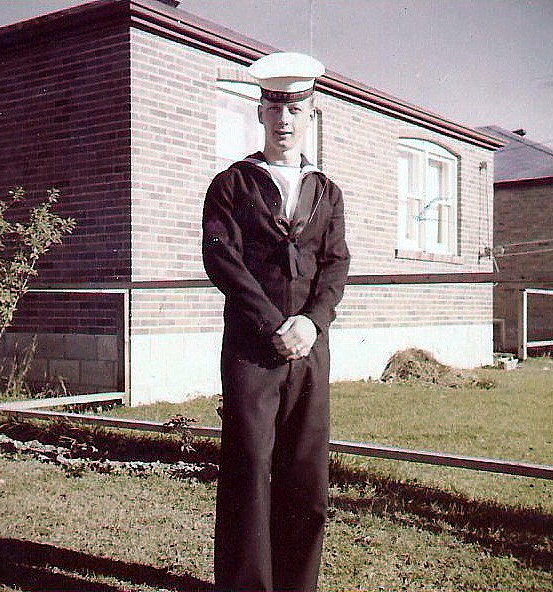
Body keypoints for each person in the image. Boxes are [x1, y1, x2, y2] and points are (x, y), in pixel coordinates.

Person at [202, 52, 350, 592]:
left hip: (310, 349)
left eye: (295, 108)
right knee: (248, 469)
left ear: (310, 113)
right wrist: (273, 325)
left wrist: (312, 322)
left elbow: (336, 264)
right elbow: (222, 259)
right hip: (251, 349)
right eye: (274, 108)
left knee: (306, 474)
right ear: (260, 113)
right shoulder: (232, 184)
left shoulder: (326, 190)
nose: (284, 119)